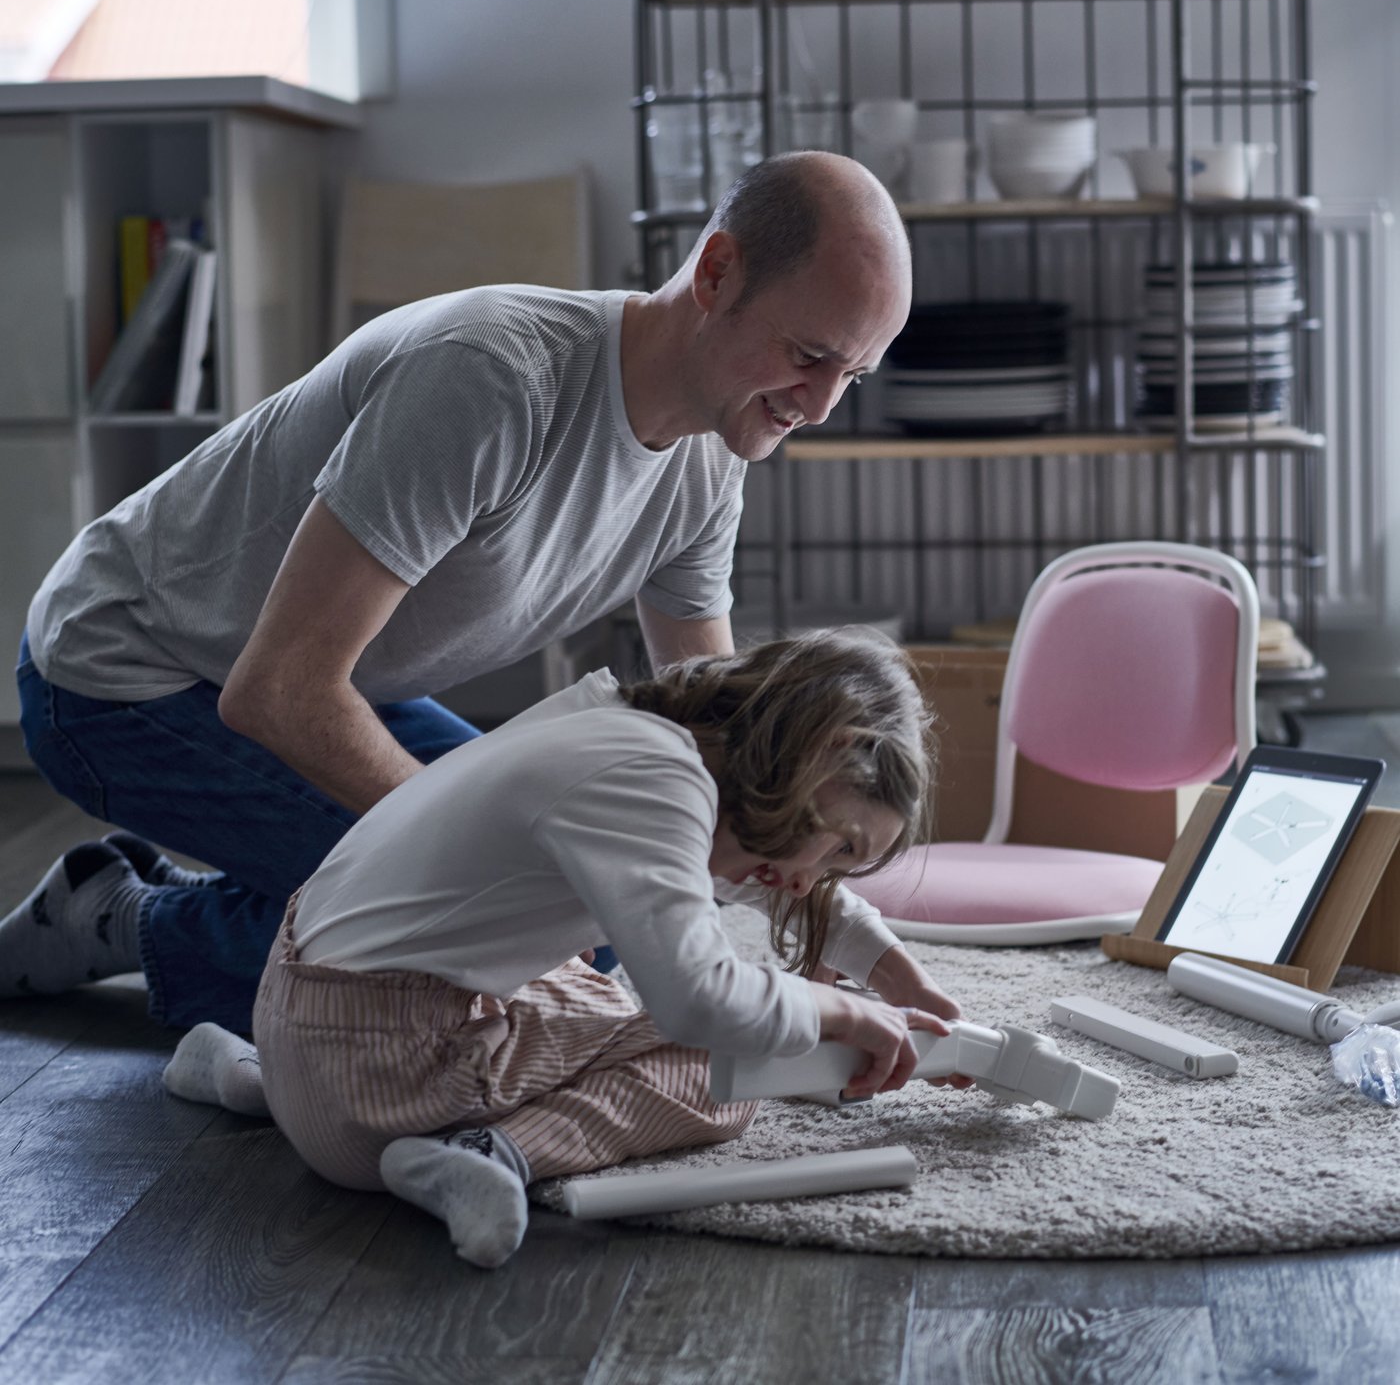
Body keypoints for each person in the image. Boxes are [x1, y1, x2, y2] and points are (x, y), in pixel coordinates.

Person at [0, 152, 913, 1030]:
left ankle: (201, 897)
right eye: (809, 355)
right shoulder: (495, 375)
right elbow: (278, 691)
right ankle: (121, 917)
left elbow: (721, 749)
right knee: (513, 920)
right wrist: (498, 877)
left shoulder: (711, 457)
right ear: (717, 273)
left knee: (586, 921)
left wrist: (847, 930)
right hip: (121, 675)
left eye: (854, 375)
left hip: (331, 680)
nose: (821, 405)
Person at [160, 629, 965, 1268]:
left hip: (296, 1011)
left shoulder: (615, 720)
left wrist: (898, 974)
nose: (814, 879)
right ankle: (488, 1153)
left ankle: (252, 1077)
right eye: (839, 848)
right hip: (370, 1083)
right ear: (824, 753)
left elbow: (764, 875)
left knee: (592, 989)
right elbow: (698, 999)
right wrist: (841, 1011)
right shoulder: (655, 783)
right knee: (726, 1067)